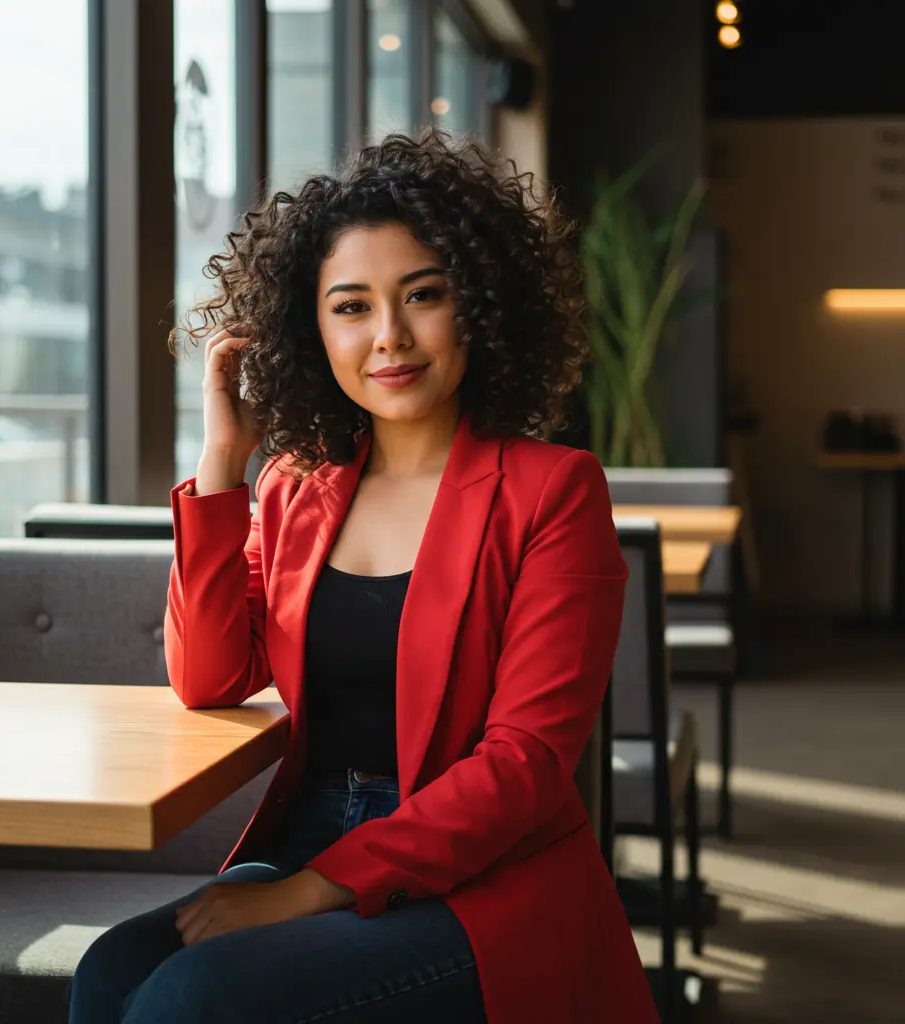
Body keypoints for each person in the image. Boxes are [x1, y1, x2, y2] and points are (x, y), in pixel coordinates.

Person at [69, 130, 659, 1024]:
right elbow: (209, 677)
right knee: (111, 971)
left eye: (423, 295)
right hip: (311, 832)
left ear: (479, 306)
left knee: (198, 998)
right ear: (312, 327)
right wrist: (224, 458)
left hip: (481, 881)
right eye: (351, 306)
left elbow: (525, 766)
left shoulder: (552, 491)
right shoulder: (297, 484)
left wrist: (307, 890)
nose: (390, 337)